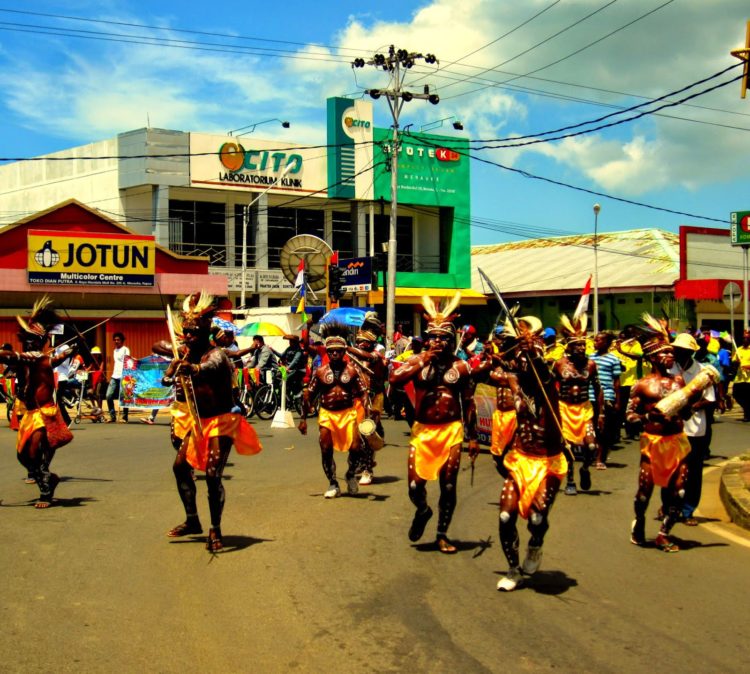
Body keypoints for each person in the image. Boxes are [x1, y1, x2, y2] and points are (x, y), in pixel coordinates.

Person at [164, 292, 262, 552]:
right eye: (186, 332)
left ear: (206, 332)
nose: (188, 337)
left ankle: (215, 528)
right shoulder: (186, 353)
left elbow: (208, 367)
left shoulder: (216, 354)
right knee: (180, 467)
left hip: (222, 420)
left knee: (211, 475)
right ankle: (192, 521)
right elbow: (164, 363)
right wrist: (172, 366)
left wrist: (191, 369)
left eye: (193, 333)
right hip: (199, 421)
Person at [390, 294, 479, 554]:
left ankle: (442, 534)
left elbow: (469, 402)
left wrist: (473, 437)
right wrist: (423, 359)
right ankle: (423, 510)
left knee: (448, 484)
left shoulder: (461, 367)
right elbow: (394, 379)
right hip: (422, 431)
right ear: (428, 339)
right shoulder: (417, 363)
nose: (438, 342)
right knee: (415, 486)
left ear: (452, 341)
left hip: (451, 430)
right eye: (434, 337)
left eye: (444, 338)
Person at [492, 317, 568, 591]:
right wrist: (503, 350)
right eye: (519, 353)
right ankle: (513, 570)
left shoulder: (547, 378)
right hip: (520, 459)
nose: (523, 359)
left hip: (549, 462)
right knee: (504, 516)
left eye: (527, 352)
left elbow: (540, 370)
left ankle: (535, 545)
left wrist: (531, 350)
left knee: (537, 518)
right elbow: (485, 369)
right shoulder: (512, 379)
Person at [626, 315, 693, 552]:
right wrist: (647, 418)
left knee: (680, 491)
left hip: (677, 441)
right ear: (652, 357)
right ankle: (640, 520)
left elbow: (686, 415)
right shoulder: (642, 385)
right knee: (644, 493)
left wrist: (687, 405)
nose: (670, 357)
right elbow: (630, 418)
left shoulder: (678, 381)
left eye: (671, 353)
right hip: (652, 443)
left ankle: (664, 533)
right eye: (665, 354)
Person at [0, 297, 74, 507]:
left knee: (35, 450)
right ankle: (47, 478)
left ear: (40, 343)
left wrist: (72, 350)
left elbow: (17, 357)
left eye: (33, 342)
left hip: (44, 412)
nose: (29, 344)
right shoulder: (24, 359)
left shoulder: (42, 360)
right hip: (30, 412)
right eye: (27, 342)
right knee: (22, 456)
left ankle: (45, 491)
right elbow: (10, 357)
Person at [298, 322, 368, 498]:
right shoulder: (320, 372)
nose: (334, 354)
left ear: (344, 352)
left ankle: (351, 474)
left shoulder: (353, 371)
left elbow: (363, 393)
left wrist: (368, 412)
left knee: (357, 447)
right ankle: (333, 483)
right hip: (327, 414)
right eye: (331, 351)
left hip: (348, 413)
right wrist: (303, 419)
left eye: (338, 351)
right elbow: (309, 395)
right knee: (325, 448)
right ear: (327, 352)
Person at [670, 333, 716, 526]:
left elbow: (710, 399)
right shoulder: (669, 369)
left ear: (689, 352)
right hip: (672, 427)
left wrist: (692, 407)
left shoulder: (703, 372)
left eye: (681, 350)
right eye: (676, 349)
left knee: (694, 470)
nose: (676, 352)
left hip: (696, 428)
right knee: (672, 469)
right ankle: (671, 506)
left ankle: (688, 510)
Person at [552, 314, 600, 495]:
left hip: (585, 408)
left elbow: (598, 389)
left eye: (583, 344)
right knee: (568, 447)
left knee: (592, 446)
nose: (581, 348)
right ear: (569, 347)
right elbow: (551, 387)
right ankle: (570, 479)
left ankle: (585, 468)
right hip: (564, 408)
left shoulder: (591, 365)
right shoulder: (559, 365)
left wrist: (601, 414)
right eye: (577, 345)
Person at [347, 312, 387, 485]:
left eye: (365, 342)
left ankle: (367, 469)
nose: (361, 344)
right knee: (353, 435)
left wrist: (346, 347)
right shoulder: (352, 358)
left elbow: (368, 358)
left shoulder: (376, 356)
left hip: (373, 398)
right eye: (359, 342)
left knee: (367, 432)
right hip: (355, 399)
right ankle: (359, 462)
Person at [588, 331, 622, 468]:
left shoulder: (613, 359)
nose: (595, 343)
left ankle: (600, 459)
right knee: (591, 427)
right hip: (590, 395)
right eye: (594, 340)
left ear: (607, 343)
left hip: (607, 396)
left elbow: (617, 382)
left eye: (598, 341)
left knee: (603, 428)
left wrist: (618, 401)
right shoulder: (590, 358)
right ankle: (592, 455)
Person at [105, 332, 130, 423]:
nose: (116, 341)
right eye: (115, 340)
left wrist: (126, 374)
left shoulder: (125, 349)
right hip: (114, 376)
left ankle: (124, 417)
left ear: (122, 341)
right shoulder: (114, 350)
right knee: (108, 395)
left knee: (124, 396)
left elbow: (127, 361)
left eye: (118, 339)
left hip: (123, 375)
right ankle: (112, 416)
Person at [731, 330, 750, 421]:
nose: (745, 340)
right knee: (736, 394)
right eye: (744, 338)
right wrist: (736, 362)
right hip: (739, 377)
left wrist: (747, 366)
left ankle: (747, 414)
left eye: (747, 338)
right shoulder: (739, 349)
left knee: (747, 397)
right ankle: (747, 409)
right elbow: (734, 362)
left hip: (749, 378)